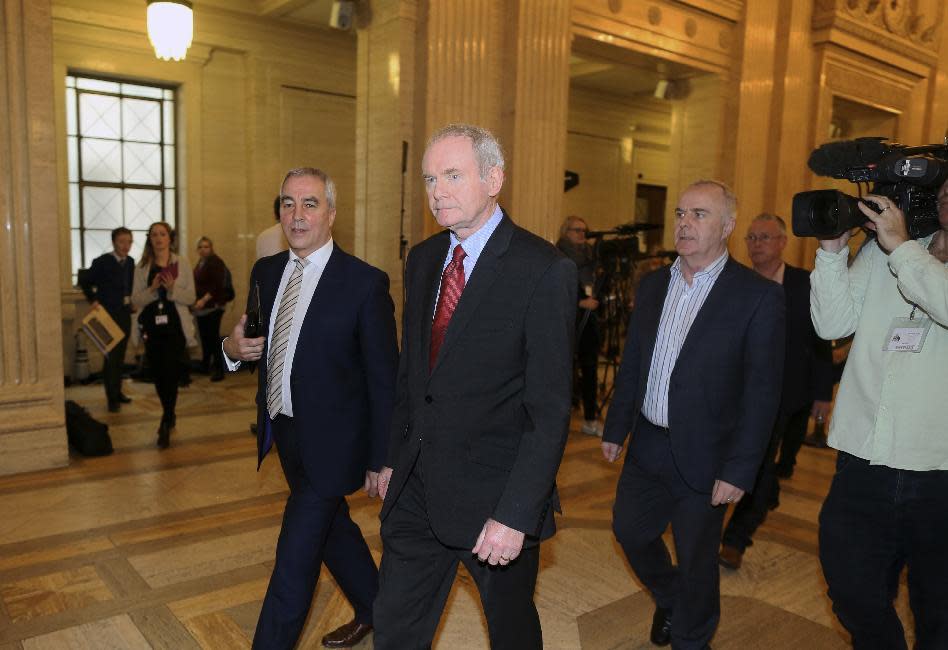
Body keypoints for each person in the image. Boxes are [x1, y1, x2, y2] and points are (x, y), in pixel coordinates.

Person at [372, 123, 576, 650]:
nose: (437, 190)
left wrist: (515, 514)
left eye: (453, 175)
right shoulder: (421, 260)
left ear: (493, 179)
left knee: (510, 632)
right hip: (416, 487)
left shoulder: (543, 268)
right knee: (395, 628)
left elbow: (550, 410)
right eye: (429, 178)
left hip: (494, 498)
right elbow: (411, 376)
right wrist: (394, 457)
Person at [601, 180, 784, 649]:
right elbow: (635, 361)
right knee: (630, 531)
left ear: (727, 227)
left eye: (699, 215)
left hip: (709, 454)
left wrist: (740, 470)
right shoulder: (653, 283)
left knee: (698, 558)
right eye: (681, 213)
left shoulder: (756, 296)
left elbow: (762, 394)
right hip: (647, 443)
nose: (684, 222)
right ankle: (670, 595)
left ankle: (691, 637)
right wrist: (617, 426)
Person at [223, 167, 398, 650]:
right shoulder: (266, 271)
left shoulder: (365, 284)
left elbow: (386, 381)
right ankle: (376, 606)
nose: (297, 215)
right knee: (332, 529)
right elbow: (248, 344)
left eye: (310, 203)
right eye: (288, 203)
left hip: (337, 444)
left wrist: (382, 458)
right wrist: (232, 350)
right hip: (285, 433)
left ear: (332, 213)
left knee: (294, 559)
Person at [812, 184, 948, 650]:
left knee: (939, 611)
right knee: (851, 589)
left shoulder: (900, 248)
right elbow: (832, 326)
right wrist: (832, 250)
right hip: (862, 459)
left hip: (939, 474)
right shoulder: (884, 249)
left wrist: (903, 247)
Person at [718, 213, 834, 570]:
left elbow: (819, 342)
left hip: (785, 393)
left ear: (783, 242)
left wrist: (822, 392)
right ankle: (765, 496)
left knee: (761, 464)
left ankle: (736, 538)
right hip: (733, 392)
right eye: (751, 237)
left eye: (764, 237)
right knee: (746, 463)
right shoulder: (734, 281)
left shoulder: (803, 284)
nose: (756, 244)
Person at [131, 222, 196, 448]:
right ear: (150, 239)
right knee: (159, 374)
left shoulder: (182, 263)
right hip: (152, 327)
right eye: (154, 235)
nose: (158, 238)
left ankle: (166, 418)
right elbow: (135, 300)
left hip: (175, 327)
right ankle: (169, 413)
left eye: (163, 234)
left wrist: (171, 290)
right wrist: (151, 290)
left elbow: (190, 298)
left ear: (170, 238)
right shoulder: (142, 267)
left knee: (170, 372)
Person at [78, 227, 135, 412]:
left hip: (124, 314)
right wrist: (93, 300)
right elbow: (85, 281)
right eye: (121, 242)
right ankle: (112, 398)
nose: (125, 246)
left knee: (120, 356)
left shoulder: (131, 262)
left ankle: (117, 392)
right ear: (113, 242)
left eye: (129, 242)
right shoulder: (102, 261)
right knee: (111, 356)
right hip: (106, 315)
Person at [557, 216, 603, 436]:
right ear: (566, 232)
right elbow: (553, 291)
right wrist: (579, 302)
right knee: (562, 371)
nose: (582, 234)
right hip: (566, 322)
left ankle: (590, 419)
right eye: (576, 230)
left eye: (585, 230)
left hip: (589, 321)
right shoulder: (557, 255)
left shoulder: (591, 257)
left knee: (590, 367)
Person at [192, 237, 232, 381]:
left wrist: (203, 300)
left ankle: (218, 369)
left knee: (213, 338)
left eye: (206, 247)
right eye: (201, 247)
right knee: (205, 337)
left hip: (213, 306)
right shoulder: (201, 263)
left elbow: (216, 286)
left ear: (212, 248)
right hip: (202, 308)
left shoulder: (215, 262)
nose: (203, 249)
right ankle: (205, 365)